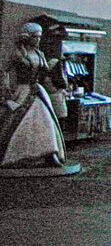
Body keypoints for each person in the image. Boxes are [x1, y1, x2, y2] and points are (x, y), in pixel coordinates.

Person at [0, 22, 68, 168]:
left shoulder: (40, 54)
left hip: (37, 90)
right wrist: (6, 90)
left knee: (46, 120)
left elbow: (45, 72)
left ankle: (50, 153)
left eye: (39, 37)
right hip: (22, 90)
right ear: (27, 37)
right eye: (35, 37)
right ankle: (19, 154)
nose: (38, 40)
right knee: (19, 122)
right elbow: (4, 71)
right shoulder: (18, 53)